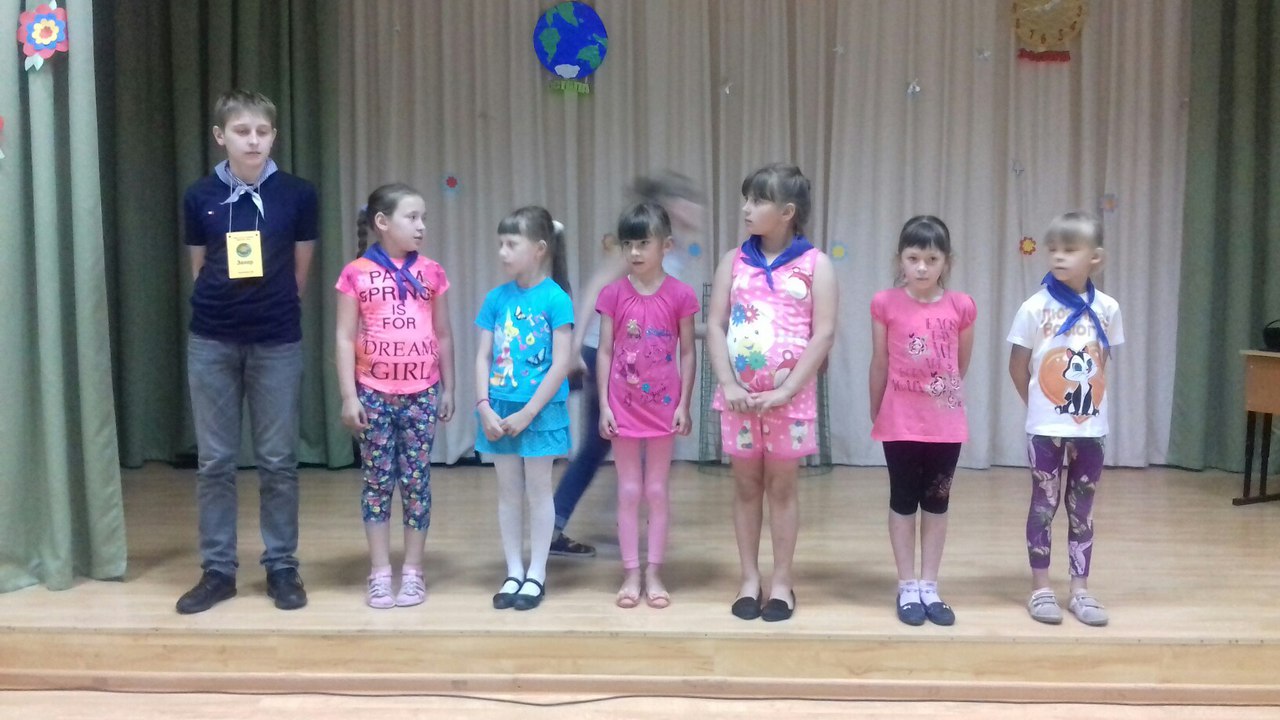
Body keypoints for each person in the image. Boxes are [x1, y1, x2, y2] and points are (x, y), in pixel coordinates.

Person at [176, 89, 317, 614]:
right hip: (211, 340)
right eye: (242, 131)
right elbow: (199, 267)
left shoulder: (298, 194)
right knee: (214, 461)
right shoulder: (199, 195)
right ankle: (218, 571)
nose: (253, 140)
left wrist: (268, 306)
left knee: (278, 461)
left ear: (273, 136)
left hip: (277, 340)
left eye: (262, 131)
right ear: (221, 136)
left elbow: (299, 271)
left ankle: (281, 566)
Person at [706, 163, 836, 622]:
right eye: (746, 198)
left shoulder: (816, 264)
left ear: (787, 212)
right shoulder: (733, 260)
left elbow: (823, 334)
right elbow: (715, 325)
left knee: (782, 488)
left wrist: (787, 390)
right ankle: (749, 578)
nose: (746, 208)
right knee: (746, 487)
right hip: (738, 399)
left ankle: (781, 581)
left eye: (758, 200)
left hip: (790, 401)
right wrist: (728, 382)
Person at [551, 172, 706, 557]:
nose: (696, 211)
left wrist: (708, 330)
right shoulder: (639, 245)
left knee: (605, 446)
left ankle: (574, 523)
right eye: (689, 202)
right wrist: (573, 347)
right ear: (672, 207)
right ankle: (577, 524)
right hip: (606, 356)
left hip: (635, 363)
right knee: (613, 444)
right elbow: (594, 290)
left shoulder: (672, 251)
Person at [335, 183, 455, 609]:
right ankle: (380, 573)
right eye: (412, 217)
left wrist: (449, 387)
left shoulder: (432, 272)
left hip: (422, 393)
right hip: (373, 394)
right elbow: (344, 337)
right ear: (382, 222)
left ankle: (414, 573)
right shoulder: (356, 273)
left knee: (417, 481)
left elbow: (443, 333)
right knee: (377, 481)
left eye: (424, 218)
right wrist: (349, 396)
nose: (421, 226)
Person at [1007, 211, 1124, 627]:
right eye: (1053, 249)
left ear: (1095, 258)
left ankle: (1080, 589)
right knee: (1044, 504)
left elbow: (1100, 362)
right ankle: (1041, 588)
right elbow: (1017, 366)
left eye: (1070, 250)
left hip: (1090, 430)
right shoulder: (1034, 307)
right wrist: (1039, 406)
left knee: (1082, 508)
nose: (1058, 257)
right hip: (1045, 431)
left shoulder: (1108, 308)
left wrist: (1081, 409)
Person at [868, 216, 975, 626]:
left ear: (946, 261)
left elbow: (959, 364)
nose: (922, 267)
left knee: (936, 501)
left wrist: (939, 399)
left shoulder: (961, 306)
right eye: (913, 258)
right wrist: (876, 407)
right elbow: (880, 361)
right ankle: (907, 585)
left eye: (932, 259)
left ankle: (930, 585)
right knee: (902, 500)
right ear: (901, 259)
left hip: (945, 426)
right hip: (899, 423)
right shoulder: (884, 303)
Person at [596, 202, 699, 608]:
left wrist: (684, 403)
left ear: (666, 246)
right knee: (628, 490)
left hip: (663, 409)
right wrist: (605, 405)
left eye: (643, 243)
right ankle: (631, 572)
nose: (635, 252)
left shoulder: (681, 295)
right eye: (628, 244)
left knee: (656, 489)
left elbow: (688, 352)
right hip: (622, 408)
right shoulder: (612, 294)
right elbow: (605, 351)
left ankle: (654, 571)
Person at [476, 207, 574, 611]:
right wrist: (483, 405)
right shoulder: (495, 299)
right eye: (500, 243)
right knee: (508, 492)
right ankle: (513, 570)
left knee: (538, 490)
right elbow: (483, 356)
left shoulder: (556, 299)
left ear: (538, 249)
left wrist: (530, 412)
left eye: (511, 244)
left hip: (539, 412)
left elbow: (561, 363)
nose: (502, 251)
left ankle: (537, 573)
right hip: (499, 409)